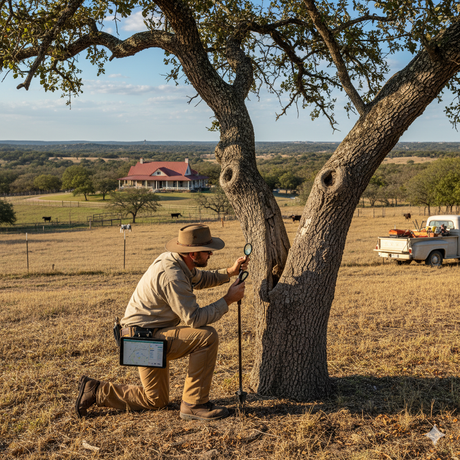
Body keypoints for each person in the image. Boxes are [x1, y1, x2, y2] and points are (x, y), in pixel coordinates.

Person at [75, 224, 249, 421]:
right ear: (192, 254)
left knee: (156, 400)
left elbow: (200, 278)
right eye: (207, 251)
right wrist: (227, 300)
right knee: (206, 337)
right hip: (143, 340)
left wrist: (230, 272)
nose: (211, 254)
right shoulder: (172, 274)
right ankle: (194, 404)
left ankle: (96, 390)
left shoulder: (178, 261)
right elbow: (195, 319)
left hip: (141, 336)